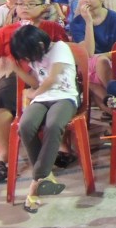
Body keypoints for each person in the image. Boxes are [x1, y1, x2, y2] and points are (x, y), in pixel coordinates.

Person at [0, 0, 68, 185]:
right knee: (2, 96)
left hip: (47, 75)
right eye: (21, 3)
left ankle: (61, 147)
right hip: (16, 76)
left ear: (44, 7)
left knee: (56, 99)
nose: (25, 8)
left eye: (31, 4)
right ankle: (3, 155)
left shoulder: (53, 29)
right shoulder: (6, 31)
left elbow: (66, 54)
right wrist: (2, 68)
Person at [8, 24, 78, 214]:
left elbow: (52, 79)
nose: (29, 60)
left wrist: (33, 94)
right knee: (25, 126)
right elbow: (35, 81)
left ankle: (36, 180)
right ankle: (45, 178)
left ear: (39, 44)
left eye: (29, 55)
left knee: (53, 125)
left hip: (64, 96)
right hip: (43, 98)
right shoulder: (35, 55)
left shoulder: (60, 48)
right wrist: (16, 69)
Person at [69, 0, 116, 112]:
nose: (85, 0)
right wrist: (88, 22)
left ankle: (112, 98)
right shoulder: (77, 23)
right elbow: (88, 53)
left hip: (115, 63)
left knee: (100, 65)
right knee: (96, 67)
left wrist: (100, 57)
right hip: (89, 64)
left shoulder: (115, 19)